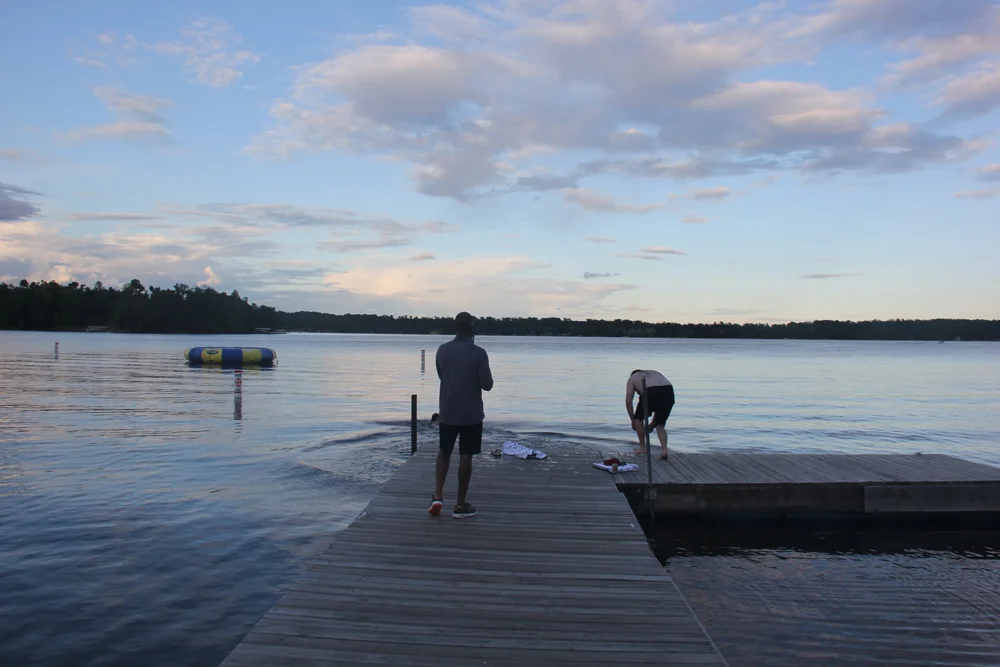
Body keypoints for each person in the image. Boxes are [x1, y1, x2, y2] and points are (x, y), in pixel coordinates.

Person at [429, 311, 494, 519]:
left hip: (447, 411)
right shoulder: (479, 353)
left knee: (444, 452)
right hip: (471, 414)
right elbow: (488, 385)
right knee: (465, 456)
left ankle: (438, 496)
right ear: (472, 328)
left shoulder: (442, 350)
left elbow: (442, 375)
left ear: (454, 327)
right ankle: (460, 505)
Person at [626, 369, 674, 460]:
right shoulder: (654, 373)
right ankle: (664, 451)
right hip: (668, 391)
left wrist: (633, 420)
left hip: (650, 391)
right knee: (660, 425)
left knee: (638, 419)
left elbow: (628, 401)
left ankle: (642, 448)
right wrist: (652, 424)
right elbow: (659, 399)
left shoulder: (632, 378)